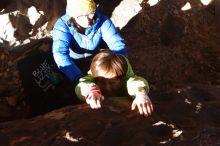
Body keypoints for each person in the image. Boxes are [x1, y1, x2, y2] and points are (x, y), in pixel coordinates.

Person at [52, 0, 127, 84]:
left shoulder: (102, 21)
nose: (87, 20)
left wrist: (120, 68)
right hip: (72, 61)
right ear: (72, 16)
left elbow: (117, 45)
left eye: (90, 13)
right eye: (80, 16)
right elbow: (60, 53)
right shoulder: (62, 25)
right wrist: (80, 79)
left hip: (93, 60)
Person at [75, 50, 153, 116]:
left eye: (112, 82)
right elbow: (83, 84)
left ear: (122, 78)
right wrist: (91, 91)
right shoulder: (92, 77)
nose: (107, 87)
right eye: (101, 82)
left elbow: (133, 82)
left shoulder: (128, 80)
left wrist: (140, 93)